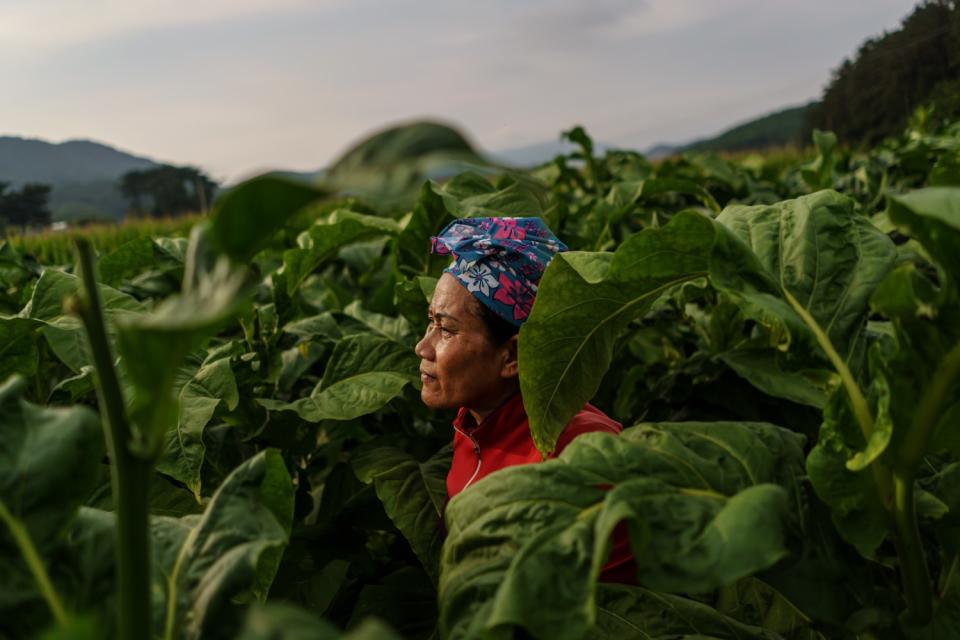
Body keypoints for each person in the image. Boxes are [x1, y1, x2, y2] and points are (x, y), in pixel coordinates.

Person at [414, 216, 634, 583]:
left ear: (512, 357)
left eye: (447, 329)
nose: (422, 346)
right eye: (430, 322)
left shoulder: (579, 456)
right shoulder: (474, 422)